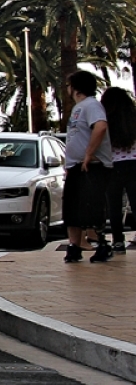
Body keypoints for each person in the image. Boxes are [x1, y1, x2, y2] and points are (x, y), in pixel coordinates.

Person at [62, 71, 113, 263]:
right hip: (76, 167)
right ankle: (74, 246)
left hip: (93, 166)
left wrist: (88, 155)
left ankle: (101, 244)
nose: (67, 89)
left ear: (75, 87)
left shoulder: (92, 105)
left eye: (69, 85)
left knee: (91, 208)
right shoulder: (79, 108)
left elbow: (100, 127)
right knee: (72, 209)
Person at [101, 86, 136, 254]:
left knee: (113, 206)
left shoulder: (106, 120)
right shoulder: (132, 119)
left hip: (112, 166)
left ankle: (118, 241)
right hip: (133, 164)